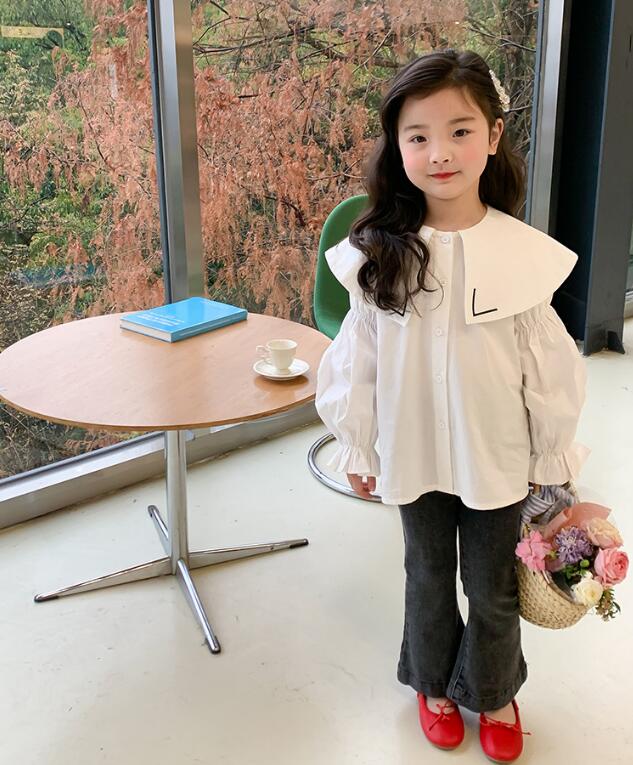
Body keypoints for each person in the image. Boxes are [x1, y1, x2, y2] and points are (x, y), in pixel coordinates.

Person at [314, 48, 590, 763]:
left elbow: (546, 370)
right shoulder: (378, 254)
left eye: (459, 131)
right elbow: (358, 360)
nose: (439, 152)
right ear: (397, 144)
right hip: (413, 452)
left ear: (493, 136)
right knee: (427, 576)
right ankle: (431, 682)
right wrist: (357, 443)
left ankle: (493, 691)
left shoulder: (520, 254)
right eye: (418, 135)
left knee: (493, 587)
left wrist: (551, 459)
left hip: (497, 456)